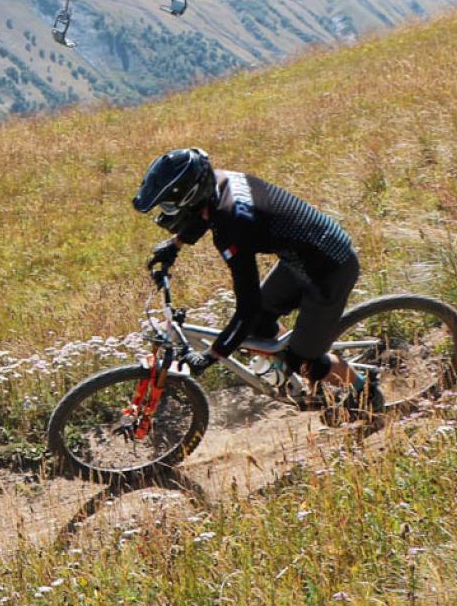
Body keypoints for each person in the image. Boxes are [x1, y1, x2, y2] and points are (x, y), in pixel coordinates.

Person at [130, 148, 380, 416]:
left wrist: (213, 355)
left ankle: (366, 393)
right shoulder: (219, 182)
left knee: (304, 360)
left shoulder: (232, 227)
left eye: (169, 205)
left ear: (191, 195)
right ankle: (290, 361)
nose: (166, 212)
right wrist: (175, 244)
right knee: (261, 324)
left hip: (330, 268)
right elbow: (206, 213)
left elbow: (247, 306)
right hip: (306, 254)